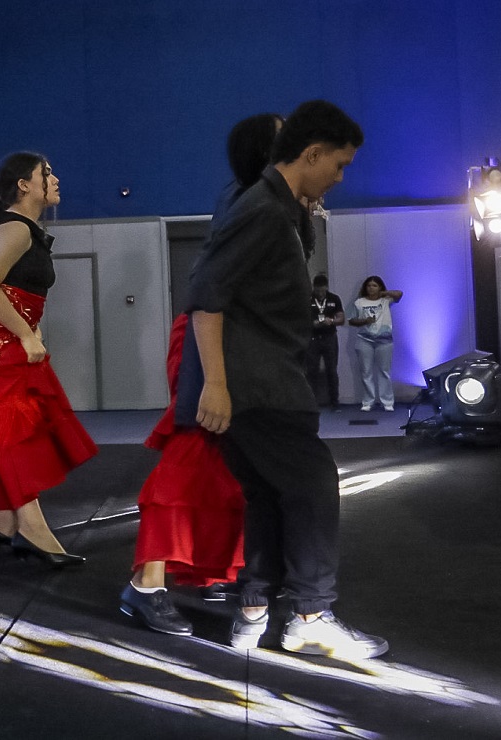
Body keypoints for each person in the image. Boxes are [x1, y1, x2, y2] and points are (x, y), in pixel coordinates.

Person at [182, 100, 389, 659]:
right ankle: (310, 614)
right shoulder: (261, 209)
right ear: (312, 153)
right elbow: (205, 298)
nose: (340, 177)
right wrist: (217, 385)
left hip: (266, 376)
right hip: (257, 382)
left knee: (271, 492)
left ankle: (253, 611)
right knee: (314, 484)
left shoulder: (278, 206)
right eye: (339, 165)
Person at [119, 114, 279, 635]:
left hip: (230, 342)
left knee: (227, 465)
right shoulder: (248, 200)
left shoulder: (258, 198)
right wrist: (215, 378)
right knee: (193, 455)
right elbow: (211, 291)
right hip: (210, 342)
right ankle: (145, 585)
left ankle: (204, 569)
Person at [0, 152, 98, 568]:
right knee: (12, 426)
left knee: (13, 423)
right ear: (23, 185)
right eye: (45, 173)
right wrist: (25, 332)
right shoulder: (13, 227)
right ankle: (32, 527)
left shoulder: (21, 227)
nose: (54, 178)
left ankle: (3, 522)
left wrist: (27, 327)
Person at [349, 275, 403, 412]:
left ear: (380, 287)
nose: (371, 288)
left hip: (384, 340)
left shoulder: (386, 300)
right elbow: (351, 320)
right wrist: (364, 321)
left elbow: (399, 294)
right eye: (369, 286)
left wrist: (383, 293)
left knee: (384, 371)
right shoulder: (359, 302)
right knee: (366, 372)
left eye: (374, 285)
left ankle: (387, 402)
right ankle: (368, 401)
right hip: (365, 339)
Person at [305, 274, 346, 411]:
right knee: (311, 371)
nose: (320, 294)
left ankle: (335, 402)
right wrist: (314, 324)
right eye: (318, 291)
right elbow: (302, 321)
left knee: (331, 370)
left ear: (327, 287)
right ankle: (312, 403)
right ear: (314, 288)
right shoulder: (308, 299)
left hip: (329, 338)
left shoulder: (334, 298)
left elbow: (341, 319)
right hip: (313, 339)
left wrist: (332, 321)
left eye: (323, 291)